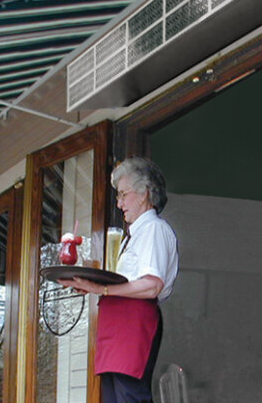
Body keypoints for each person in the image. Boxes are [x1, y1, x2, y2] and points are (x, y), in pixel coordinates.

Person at [59, 157, 179, 403]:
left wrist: (99, 287)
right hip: (115, 324)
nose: (119, 203)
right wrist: (89, 286)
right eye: (118, 196)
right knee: (113, 398)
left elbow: (152, 285)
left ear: (144, 193)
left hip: (133, 323)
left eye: (124, 195)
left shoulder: (154, 229)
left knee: (130, 397)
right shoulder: (131, 236)